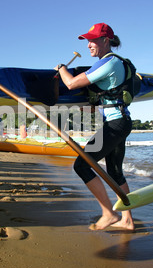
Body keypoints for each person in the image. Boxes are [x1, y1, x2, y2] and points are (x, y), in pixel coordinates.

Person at [54, 23, 135, 231]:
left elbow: (71, 83)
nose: (89, 44)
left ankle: (109, 213)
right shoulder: (116, 63)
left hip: (116, 124)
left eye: (93, 40)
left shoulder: (108, 63)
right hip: (121, 122)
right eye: (87, 41)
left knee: (82, 165)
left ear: (106, 40)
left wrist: (62, 69)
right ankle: (128, 220)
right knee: (115, 172)